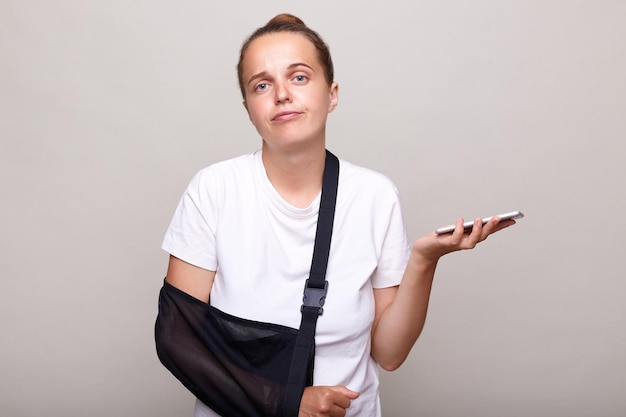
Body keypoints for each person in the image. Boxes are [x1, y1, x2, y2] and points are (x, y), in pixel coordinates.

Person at [160, 13, 516, 417]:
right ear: (248, 108)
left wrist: (423, 261)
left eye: (298, 77)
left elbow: (390, 353)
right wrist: (287, 402)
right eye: (262, 84)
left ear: (332, 94)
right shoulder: (214, 189)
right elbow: (179, 338)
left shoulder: (375, 196)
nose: (281, 94)